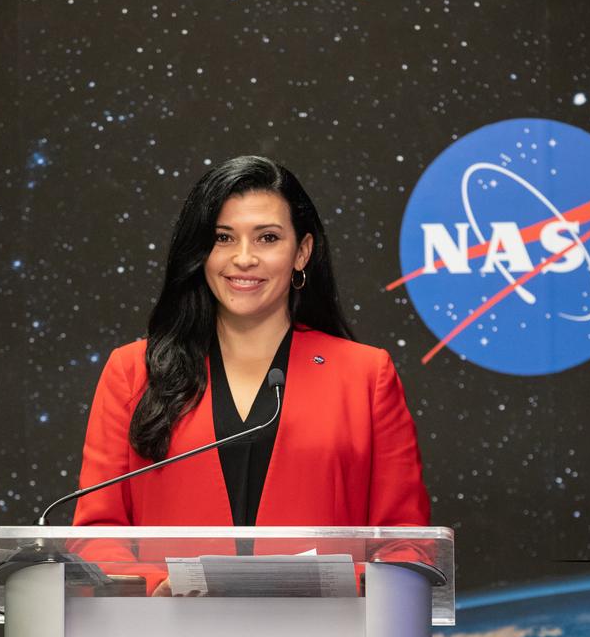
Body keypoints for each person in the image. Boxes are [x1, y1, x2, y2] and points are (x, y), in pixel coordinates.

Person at [73, 156, 430, 585]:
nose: (243, 258)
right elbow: (97, 534)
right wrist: (153, 588)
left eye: (267, 238)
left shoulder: (365, 375)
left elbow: (404, 541)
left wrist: (337, 587)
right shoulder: (133, 372)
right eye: (223, 238)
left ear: (302, 252)